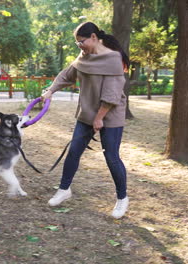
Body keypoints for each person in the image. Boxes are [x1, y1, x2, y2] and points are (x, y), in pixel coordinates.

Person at [41, 22, 130, 219]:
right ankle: (64, 189)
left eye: (81, 42)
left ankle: (122, 199)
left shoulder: (113, 59)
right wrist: (50, 91)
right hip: (87, 114)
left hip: (110, 115)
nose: (80, 46)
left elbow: (111, 95)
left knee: (111, 157)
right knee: (73, 152)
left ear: (93, 37)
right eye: (77, 44)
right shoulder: (84, 57)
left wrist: (99, 119)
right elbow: (67, 74)